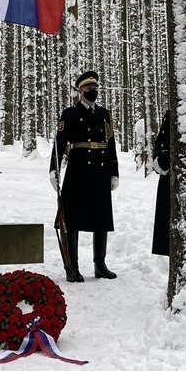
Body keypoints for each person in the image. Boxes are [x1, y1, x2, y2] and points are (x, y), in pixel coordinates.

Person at [50, 70, 119, 282]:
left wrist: (114, 172)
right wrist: (54, 169)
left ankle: (100, 264)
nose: (93, 92)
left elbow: (111, 145)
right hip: (78, 169)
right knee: (72, 218)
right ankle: (72, 266)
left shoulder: (105, 114)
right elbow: (59, 144)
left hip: (100, 170)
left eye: (95, 88)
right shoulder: (70, 114)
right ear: (80, 91)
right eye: (89, 89)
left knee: (101, 217)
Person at [151, 107, 171, 256]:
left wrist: (165, 161)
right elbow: (161, 139)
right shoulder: (171, 110)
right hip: (166, 173)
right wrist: (157, 158)